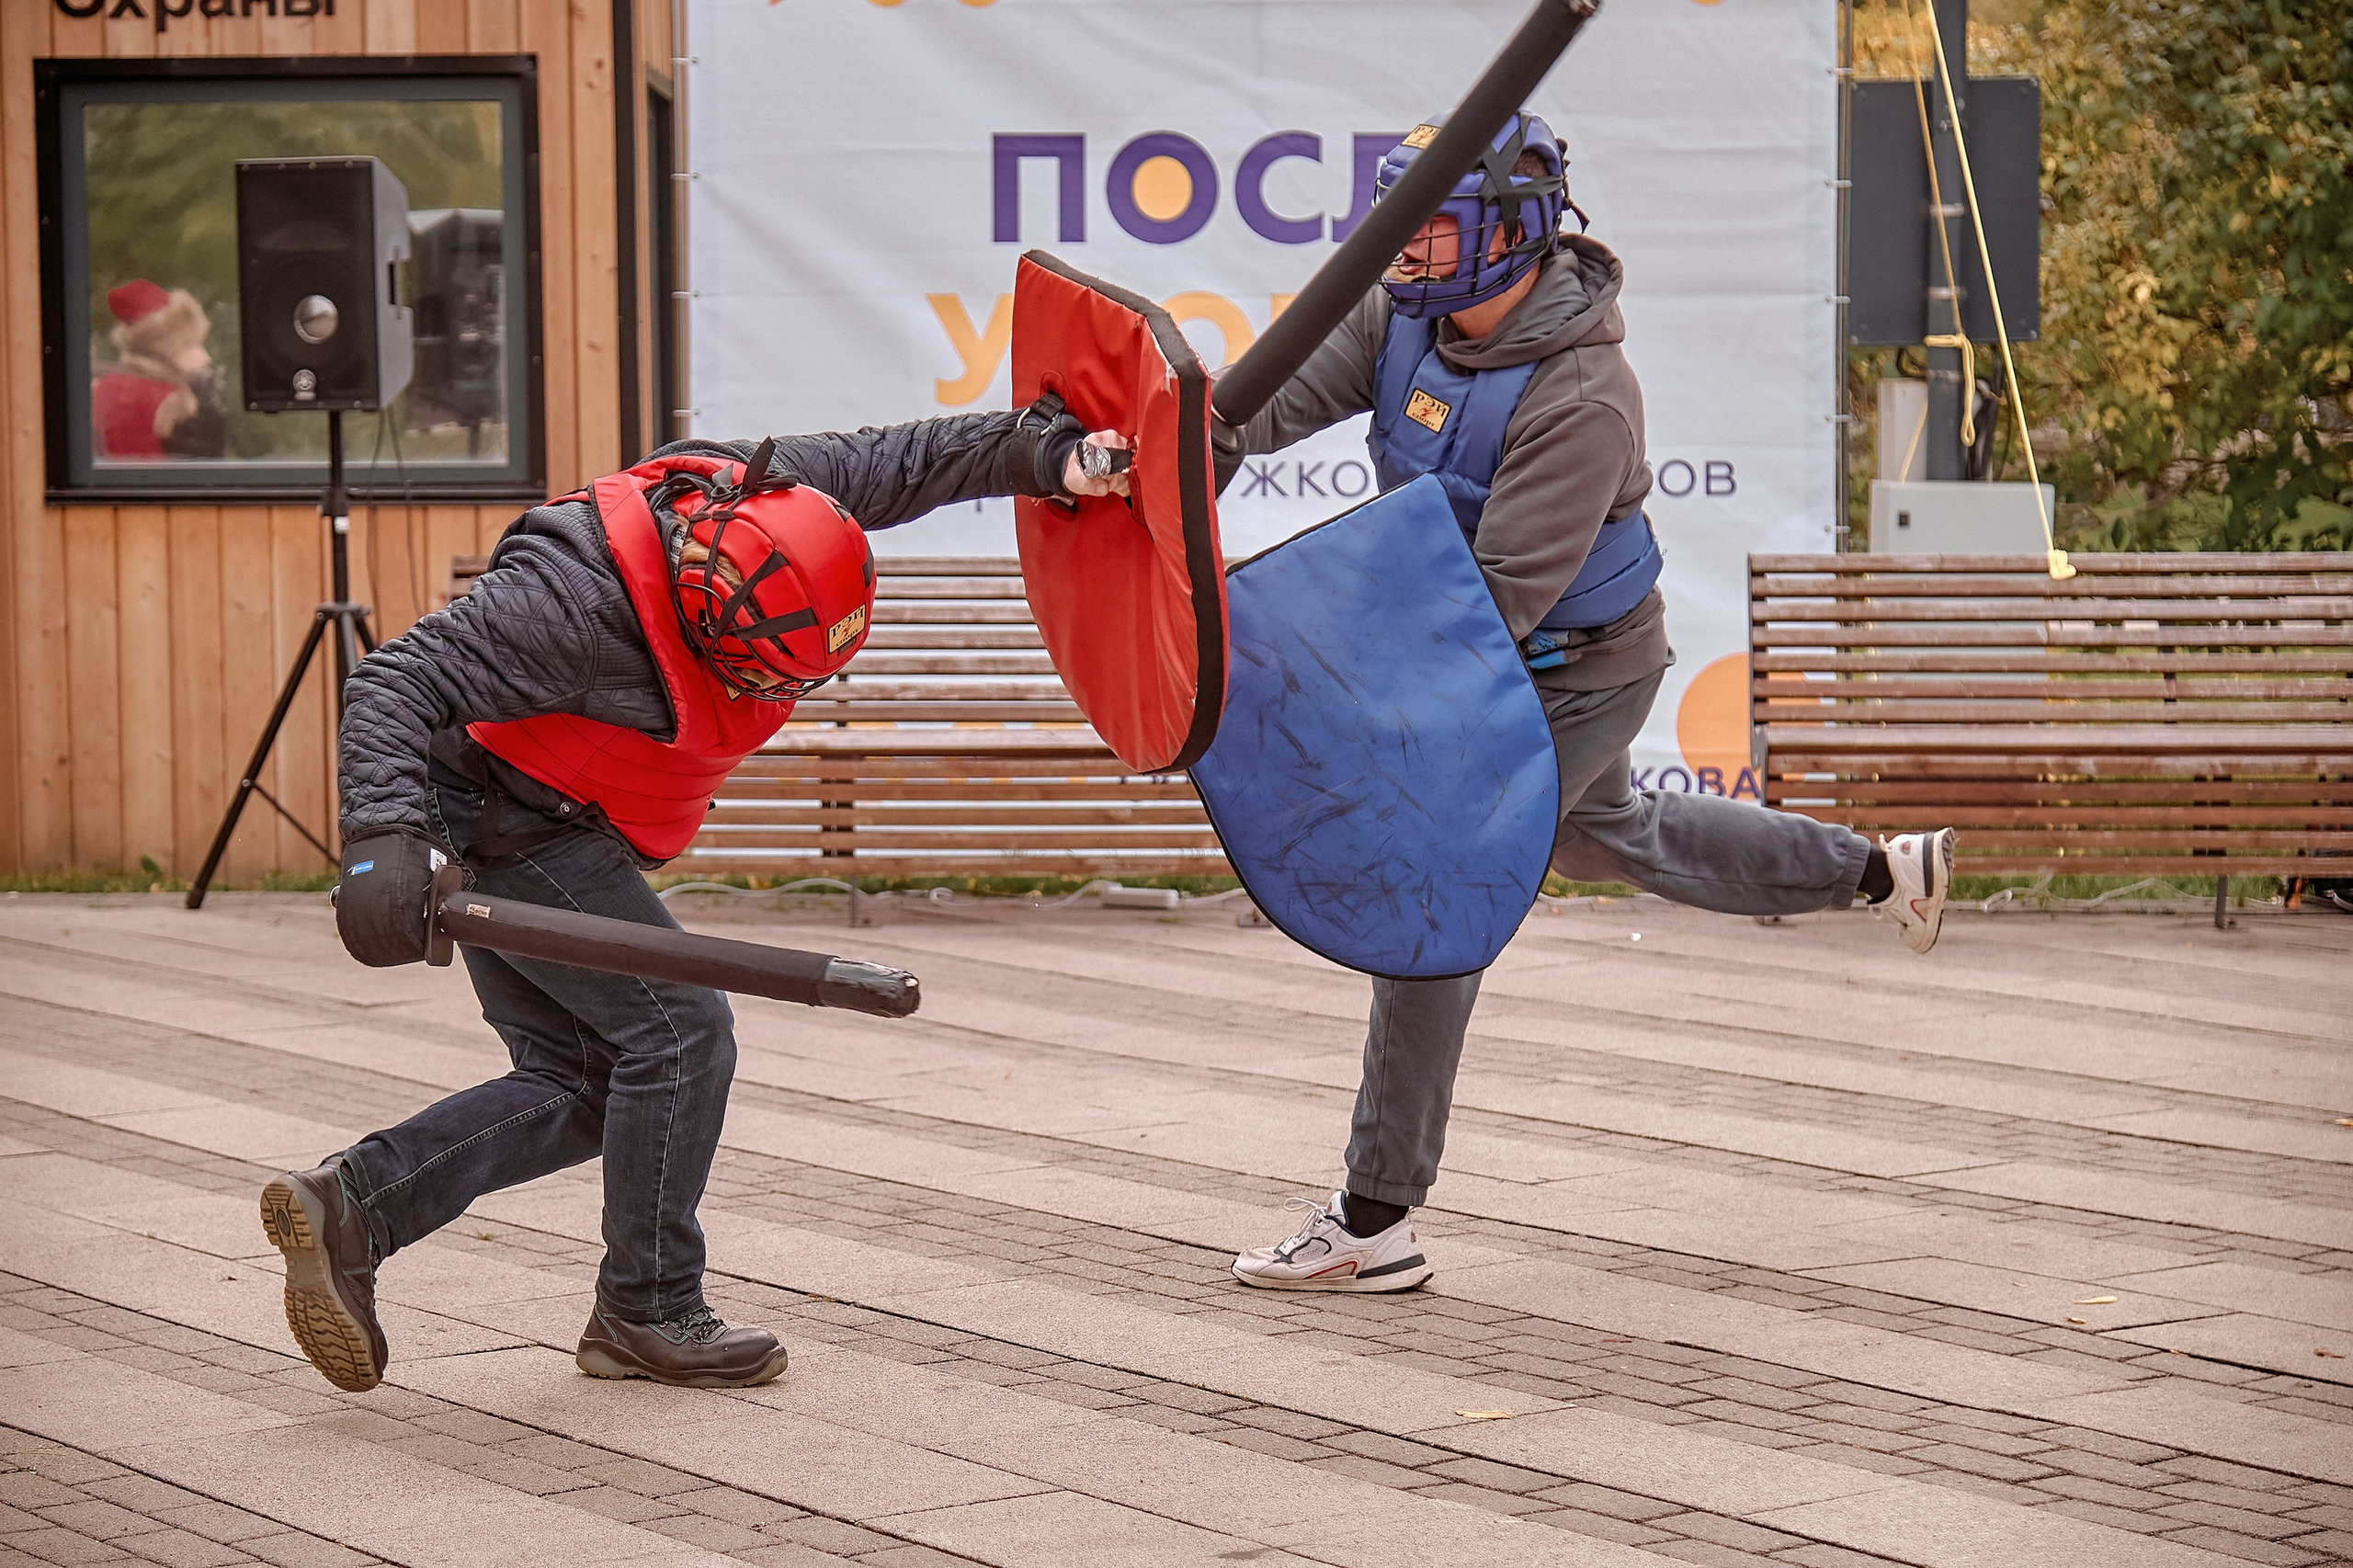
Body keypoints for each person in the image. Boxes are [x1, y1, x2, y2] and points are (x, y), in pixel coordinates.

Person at [1217, 112, 1957, 1293]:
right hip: (1487, 640)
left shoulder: (1582, 395)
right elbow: (1246, 418)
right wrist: (1149, 463)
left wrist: (1315, 684)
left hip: (1574, 666)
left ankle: (1374, 1217)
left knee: (1436, 886)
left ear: (1503, 238)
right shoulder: (1398, 314)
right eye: (1397, 226)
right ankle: (1878, 871)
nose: (1400, 251)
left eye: (1430, 229)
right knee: (1618, 833)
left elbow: (1490, 610)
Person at [260, 404, 1129, 1392]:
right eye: (760, 671)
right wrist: (384, 843)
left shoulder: (763, 495)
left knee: (592, 1077)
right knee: (679, 1034)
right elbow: (394, 680)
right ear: (706, 609)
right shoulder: (565, 605)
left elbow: (904, 458)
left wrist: (1051, 455)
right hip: (506, 813)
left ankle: (358, 1205)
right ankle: (650, 1305)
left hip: (559, 805)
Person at [91, 279, 226, 460]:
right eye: (191, 345)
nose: (205, 357)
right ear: (165, 350)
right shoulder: (165, 398)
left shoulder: (108, 386)